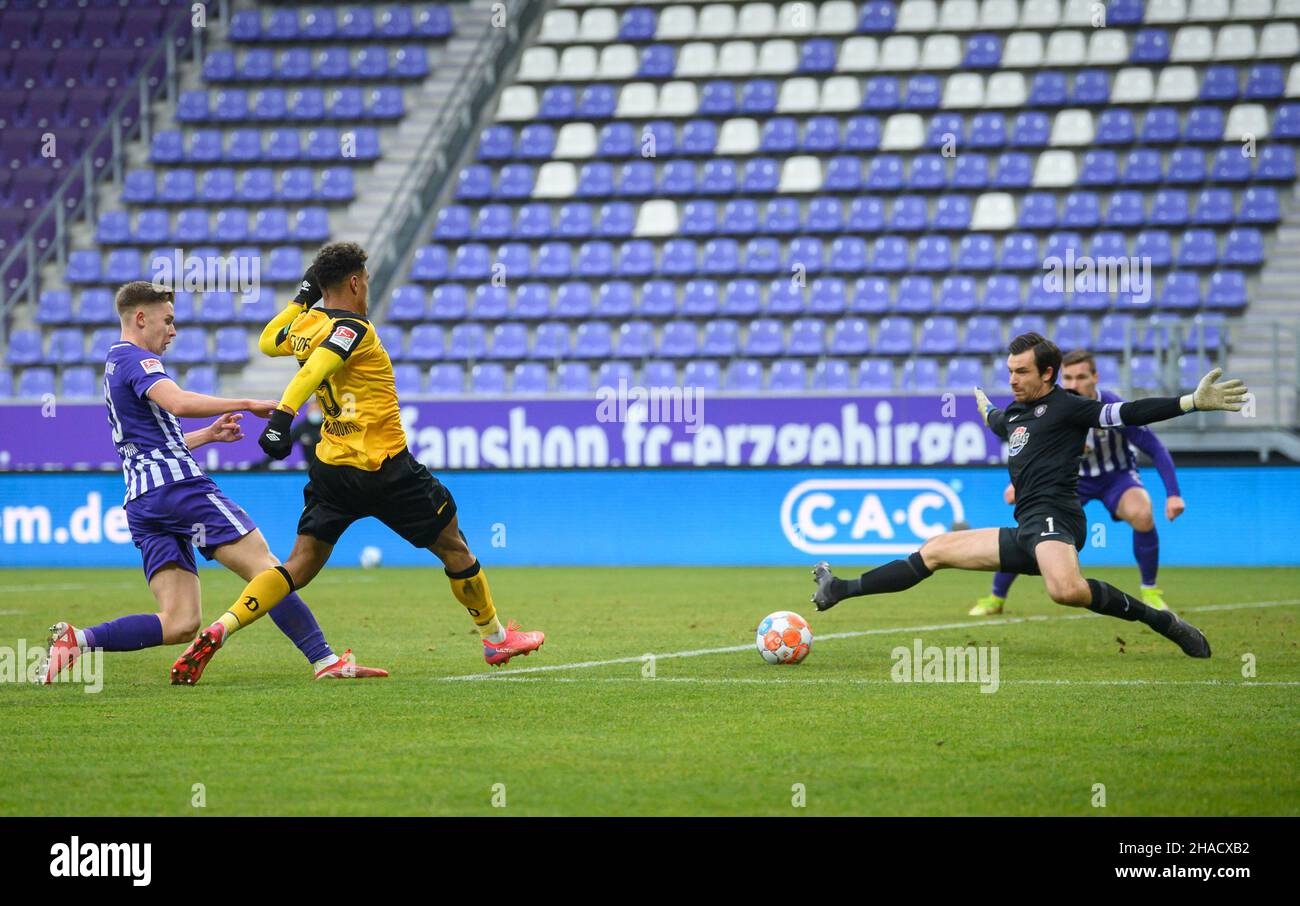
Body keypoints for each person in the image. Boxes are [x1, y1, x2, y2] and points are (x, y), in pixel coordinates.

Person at [169, 246, 544, 685]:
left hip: (332, 469)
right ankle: (496, 637)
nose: (366, 286)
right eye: (364, 278)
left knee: (297, 565)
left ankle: (222, 627)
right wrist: (281, 419)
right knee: (454, 546)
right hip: (386, 466)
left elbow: (268, 340)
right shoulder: (353, 329)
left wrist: (301, 299)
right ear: (354, 282)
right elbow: (313, 373)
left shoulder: (307, 323)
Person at [810, 332, 1248, 658]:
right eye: (1010, 371)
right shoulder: (1017, 414)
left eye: (1021, 372)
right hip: (1028, 528)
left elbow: (1129, 413)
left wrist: (1190, 401)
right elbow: (1000, 421)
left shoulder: (1071, 406)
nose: (1013, 379)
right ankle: (839, 588)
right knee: (935, 550)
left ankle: (1164, 622)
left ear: (1047, 373)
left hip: (1058, 518)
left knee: (1064, 590)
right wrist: (985, 410)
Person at [43, 280, 387, 684]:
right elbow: (179, 403)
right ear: (140, 318)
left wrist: (208, 435)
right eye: (167, 321)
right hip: (179, 491)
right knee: (268, 570)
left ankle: (78, 640)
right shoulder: (138, 361)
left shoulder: (114, 365)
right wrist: (247, 402)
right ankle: (325, 659)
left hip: (143, 502)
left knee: (180, 622)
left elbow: (151, 445)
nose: (173, 331)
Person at [970, 348, 1185, 616]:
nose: (1073, 384)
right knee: (1031, 530)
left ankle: (1150, 591)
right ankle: (996, 597)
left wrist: (1173, 493)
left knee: (1142, 513)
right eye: (1068, 378)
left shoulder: (1110, 406)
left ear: (1095, 377)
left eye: (1081, 377)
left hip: (1114, 477)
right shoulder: (1052, 408)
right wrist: (1019, 484)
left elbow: (1154, 448)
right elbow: (1025, 448)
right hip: (1069, 482)